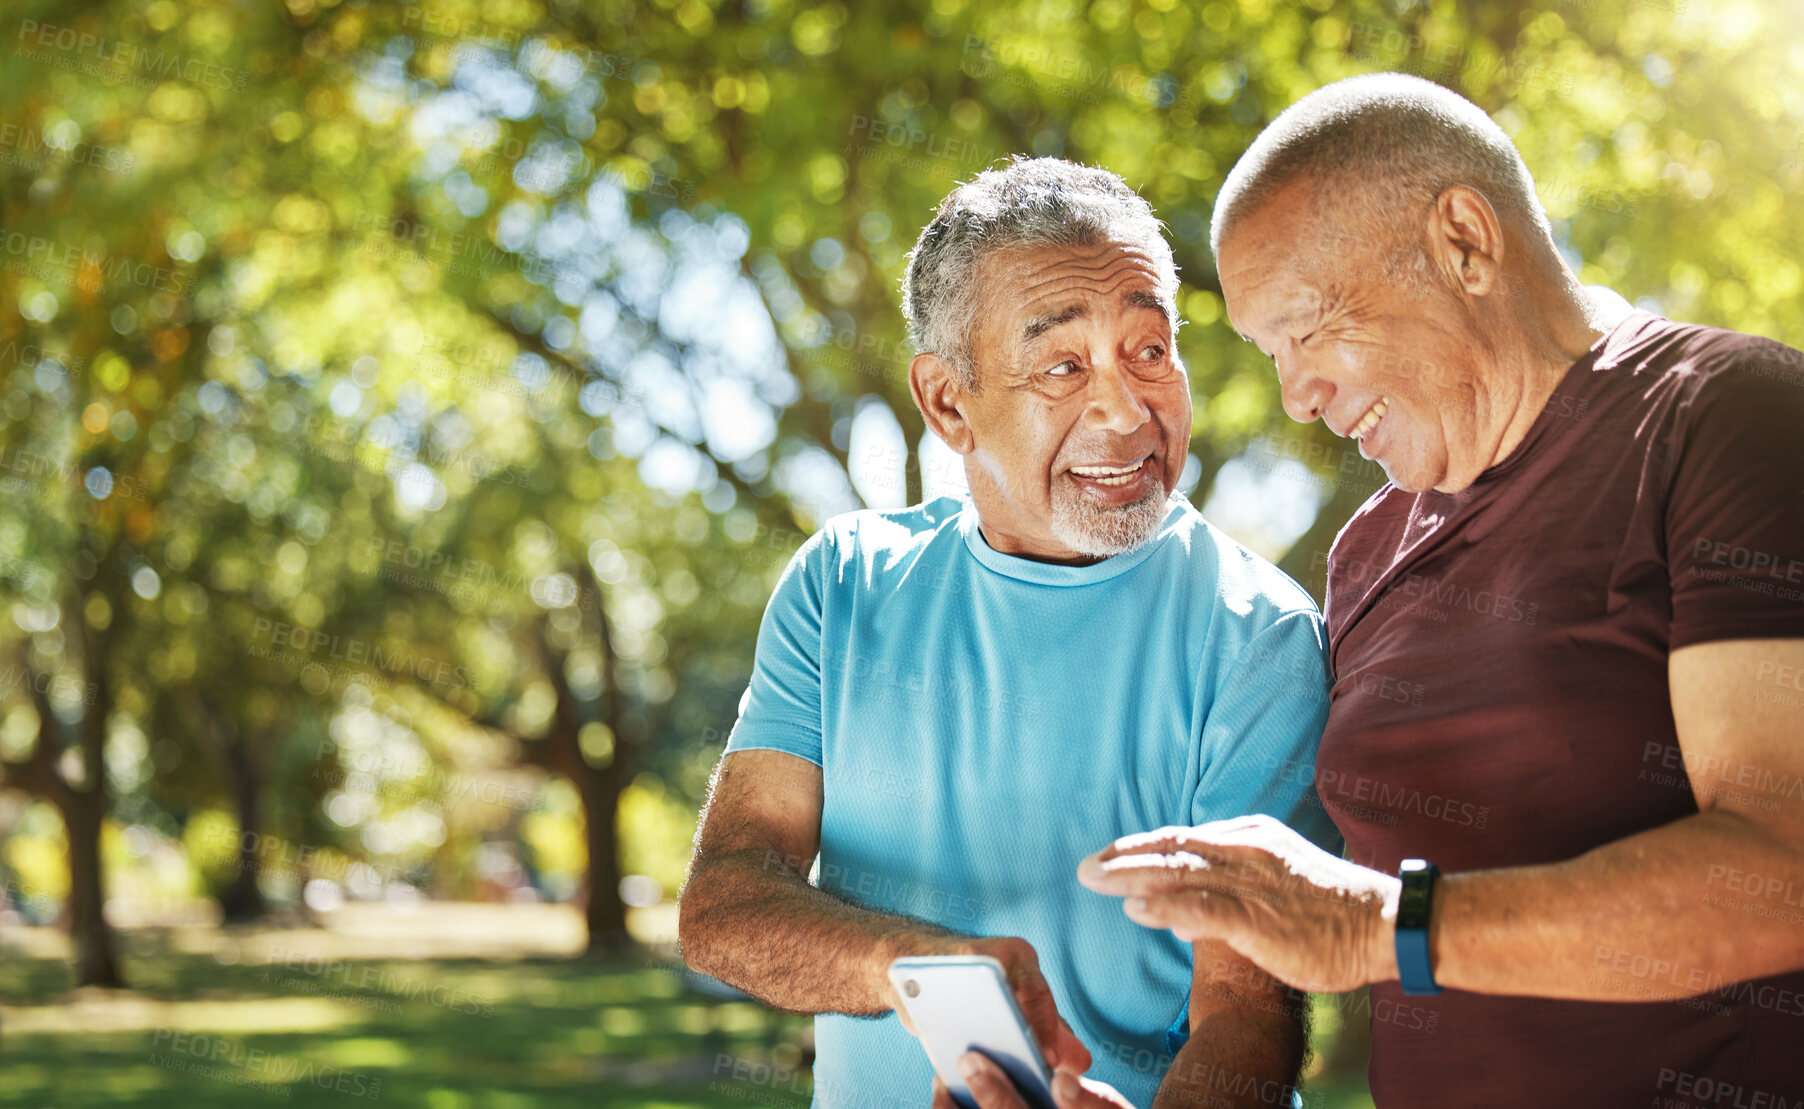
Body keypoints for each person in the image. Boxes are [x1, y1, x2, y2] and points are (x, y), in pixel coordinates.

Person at [1080, 73, 1804, 1107]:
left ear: (1463, 240)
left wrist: (1382, 926)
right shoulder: (1364, 552)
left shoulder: (1725, 418)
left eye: (1307, 326)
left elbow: (1783, 862)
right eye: (1268, 355)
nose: (1298, 395)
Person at [680, 157, 1342, 1109]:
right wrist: (919, 968)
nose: (1125, 409)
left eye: (1150, 350)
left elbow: (1248, 1007)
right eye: (1064, 366)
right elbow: (725, 901)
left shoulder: (1259, 636)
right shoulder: (842, 584)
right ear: (949, 402)